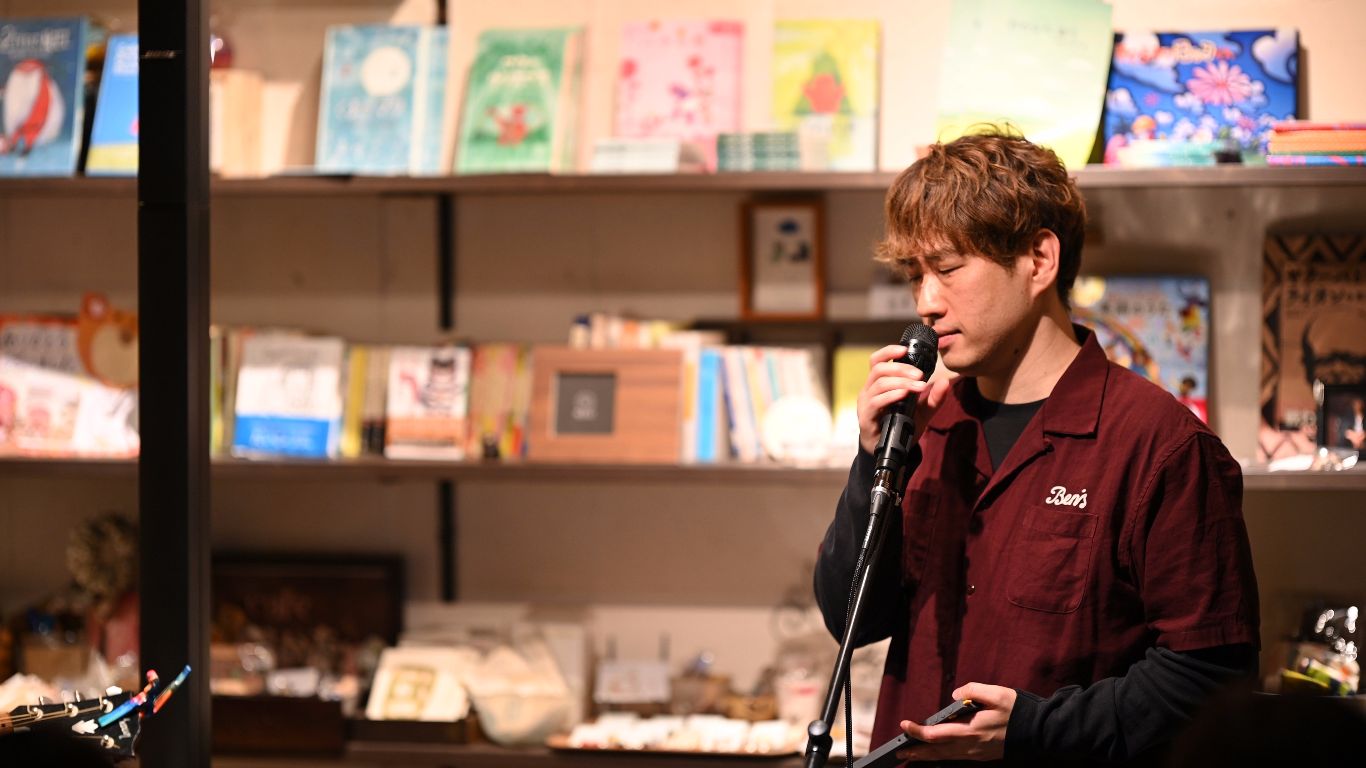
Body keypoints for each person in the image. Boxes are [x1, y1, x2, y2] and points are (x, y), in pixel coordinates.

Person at [814, 128, 1260, 765]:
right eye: (916, 276)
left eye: (947, 269)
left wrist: (1034, 728)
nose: (926, 303)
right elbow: (849, 616)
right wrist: (872, 460)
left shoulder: (1159, 444)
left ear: (1039, 261)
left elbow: (1212, 675)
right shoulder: (927, 426)